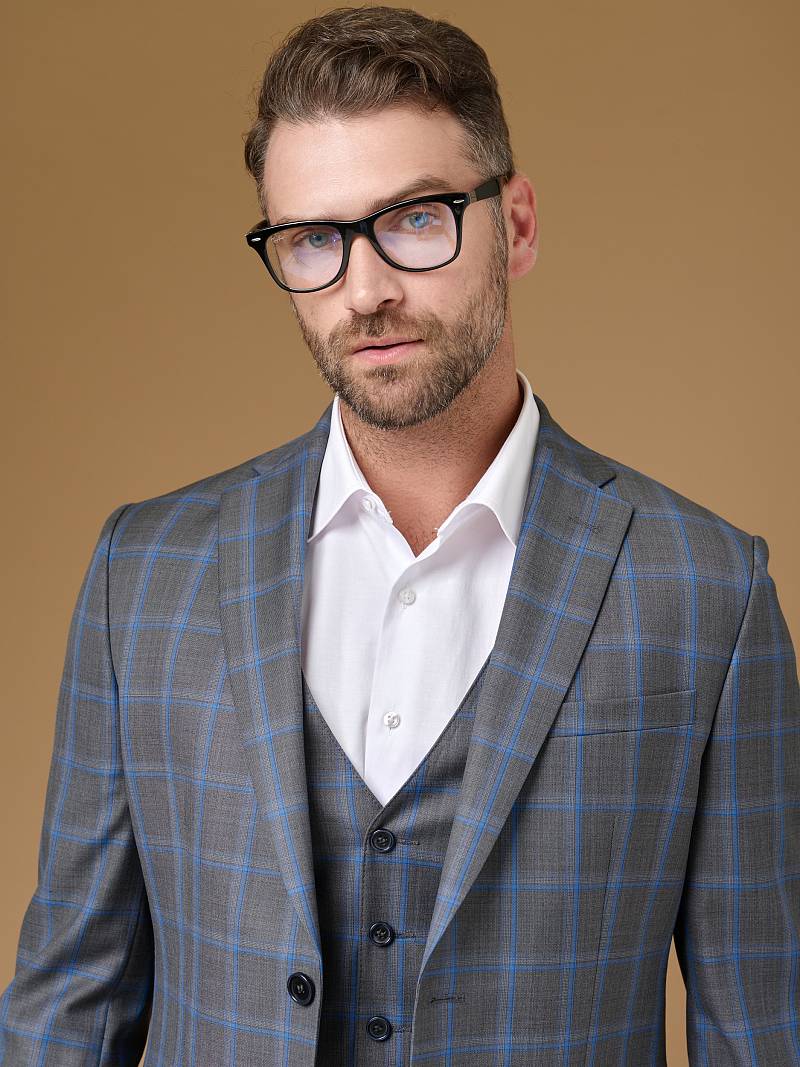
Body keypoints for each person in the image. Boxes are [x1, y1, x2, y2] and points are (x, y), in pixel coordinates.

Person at [1, 5, 798, 1064]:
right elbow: (68, 1010)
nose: (365, 290)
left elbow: (761, 1028)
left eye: (416, 219)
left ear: (515, 225)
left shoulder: (705, 591)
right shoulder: (143, 574)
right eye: (313, 240)